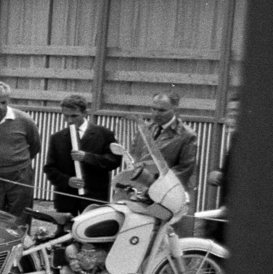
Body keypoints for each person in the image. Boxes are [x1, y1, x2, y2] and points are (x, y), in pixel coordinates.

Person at [120, 90, 199, 233]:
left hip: (169, 196)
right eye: (153, 109)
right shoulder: (145, 129)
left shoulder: (186, 135)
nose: (156, 113)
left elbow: (185, 169)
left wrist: (153, 182)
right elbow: (135, 157)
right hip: (140, 193)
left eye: (162, 110)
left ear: (175, 109)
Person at [0, 81, 41, 225]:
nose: (1, 107)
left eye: (4, 102)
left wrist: (17, 162)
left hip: (20, 175)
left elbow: (35, 145)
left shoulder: (24, 120)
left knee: (20, 217)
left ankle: (21, 246)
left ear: (8, 100)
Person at [42, 93, 118, 215]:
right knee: (64, 232)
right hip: (66, 198)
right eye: (66, 116)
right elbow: (50, 169)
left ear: (84, 113)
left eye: (74, 116)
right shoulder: (57, 138)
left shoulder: (104, 134)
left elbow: (114, 161)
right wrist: (67, 180)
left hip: (93, 197)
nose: (70, 120)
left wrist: (87, 157)